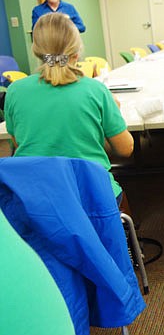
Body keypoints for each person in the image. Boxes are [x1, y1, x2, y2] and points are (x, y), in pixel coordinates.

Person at [5, 12, 133, 204]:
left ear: (35, 50)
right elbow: (125, 149)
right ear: (77, 50)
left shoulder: (15, 91)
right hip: (91, 197)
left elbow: (19, 142)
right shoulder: (95, 90)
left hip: (34, 200)